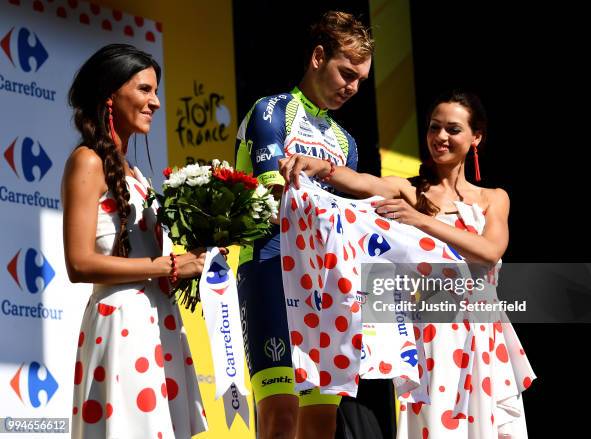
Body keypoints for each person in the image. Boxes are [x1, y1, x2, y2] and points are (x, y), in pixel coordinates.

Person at [280, 90, 536, 438]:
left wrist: (422, 221)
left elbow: (489, 251)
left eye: (453, 129)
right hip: (428, 336)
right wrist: (320, 168)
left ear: (476, 137)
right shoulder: (409, 190)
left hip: (481, 335)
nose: (440, 137)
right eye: (434, 128)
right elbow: (361, 183)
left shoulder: (493, 198)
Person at [63, 44, 224, 438]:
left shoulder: (135, 173)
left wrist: (194, 264)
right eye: (144, 90)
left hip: (159, 322)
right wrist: (168, 266)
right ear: (110, 94)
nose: (155, 102)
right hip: (120, 323)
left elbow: (150, 260)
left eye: (156, 91)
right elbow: (79, 263)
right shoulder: (87, 161)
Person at [234, 11, 373, 439]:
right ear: (318, 57)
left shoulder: (346, 142)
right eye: (346, 72)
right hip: (270, 271)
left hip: (325, 285)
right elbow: (276, 203)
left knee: (320, 424)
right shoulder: (271, 111)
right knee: (278, 418)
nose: (351, 87)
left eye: (360, 81)